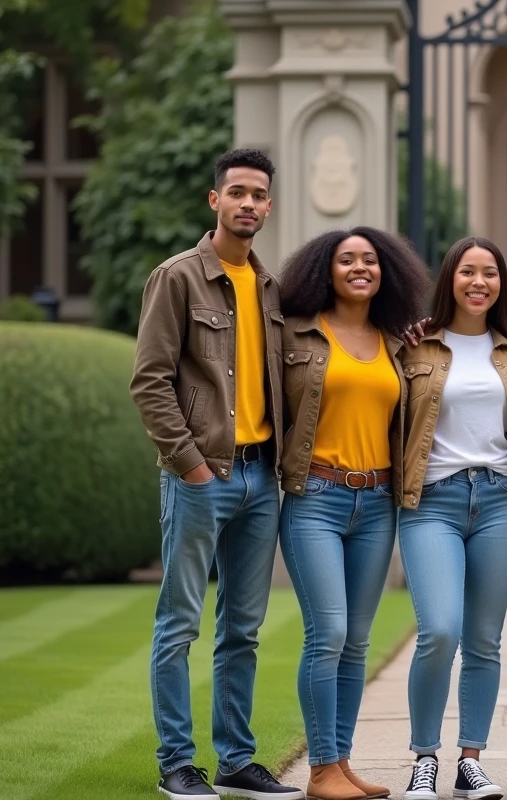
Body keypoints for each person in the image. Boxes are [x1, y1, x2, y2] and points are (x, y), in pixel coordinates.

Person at [130, 148, 303, 800]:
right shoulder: (177, 278)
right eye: (238, 193)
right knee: (179, 624)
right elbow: (149, 382)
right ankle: (177, 762)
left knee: (242, 630)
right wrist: (193, 467)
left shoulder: (272, 288)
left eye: (259, 195)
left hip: (263, 481)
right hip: (203, 477)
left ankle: (236, 760)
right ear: (215, 201)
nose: (249, 204)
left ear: (268, 205)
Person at [276, 226, 431, 800]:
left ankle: (341, 763)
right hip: (316, 496)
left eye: (370, 260)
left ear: (386, 270)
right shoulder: (295, 333)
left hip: (376, 501)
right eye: (347, 260)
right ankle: (320, 771)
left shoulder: (397, 340)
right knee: (329, 632)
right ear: (326, 270)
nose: (360, 268)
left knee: (358, 640)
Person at [397, 237, 507, 800]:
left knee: (484, 638)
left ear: (502, 283)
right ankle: (424, 757)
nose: (479, 282)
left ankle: (470, 760)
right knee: (439, 629)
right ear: (450, 277)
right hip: (433, 500)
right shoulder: (413, 345)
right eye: (468, 272)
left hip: (501, 499)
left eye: (491, 274)